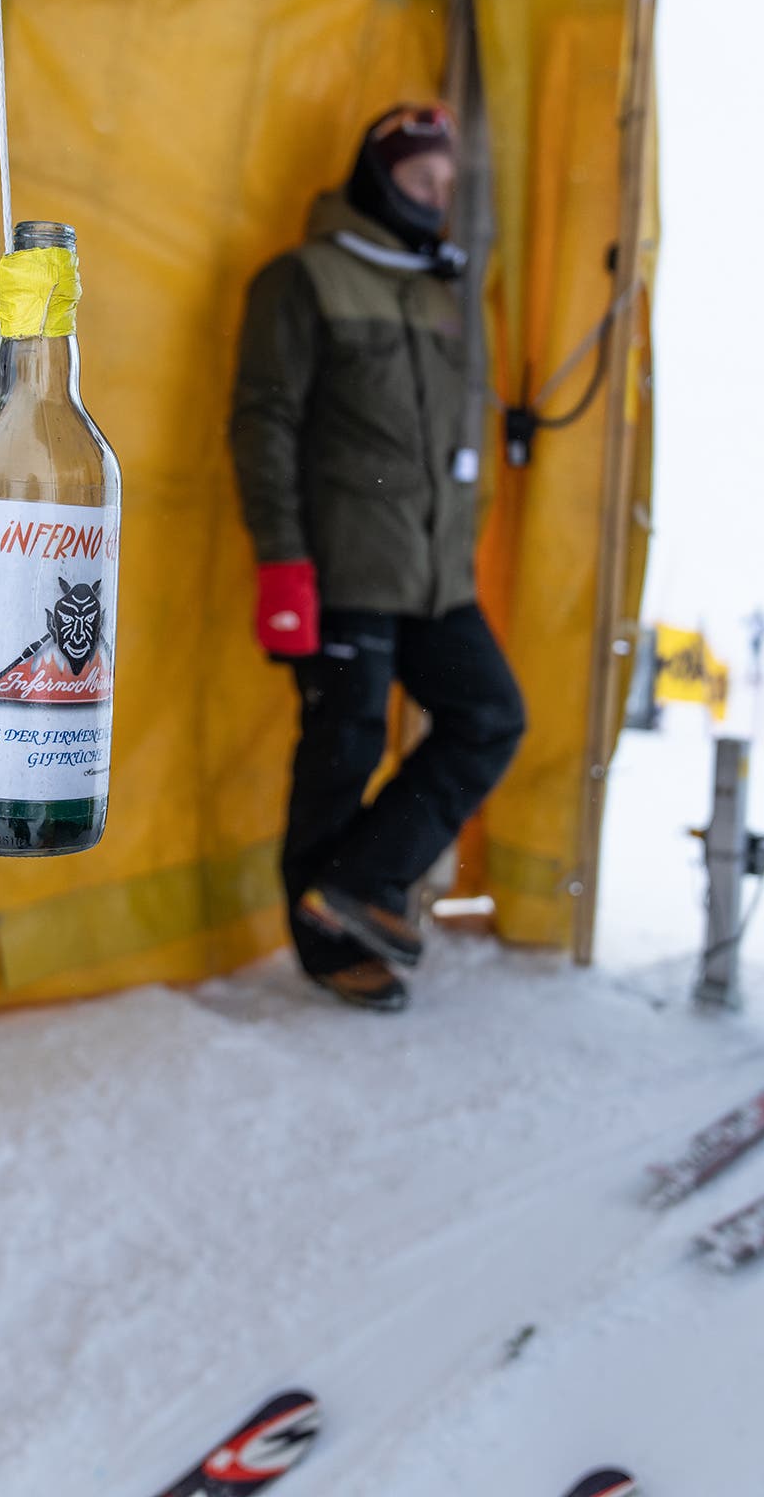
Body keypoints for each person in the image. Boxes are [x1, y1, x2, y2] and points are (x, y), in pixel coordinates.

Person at [226, 104, 526, 1013]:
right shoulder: (302, 279)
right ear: (376, 176)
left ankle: (361, 883)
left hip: (435, 577)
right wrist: (282, 564)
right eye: (418, 179)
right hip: (343, 567)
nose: (434, 199)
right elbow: (263, 424)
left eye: (446, 185)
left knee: (489, 715)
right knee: (342, 751)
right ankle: (324, 943)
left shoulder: (441, 295)